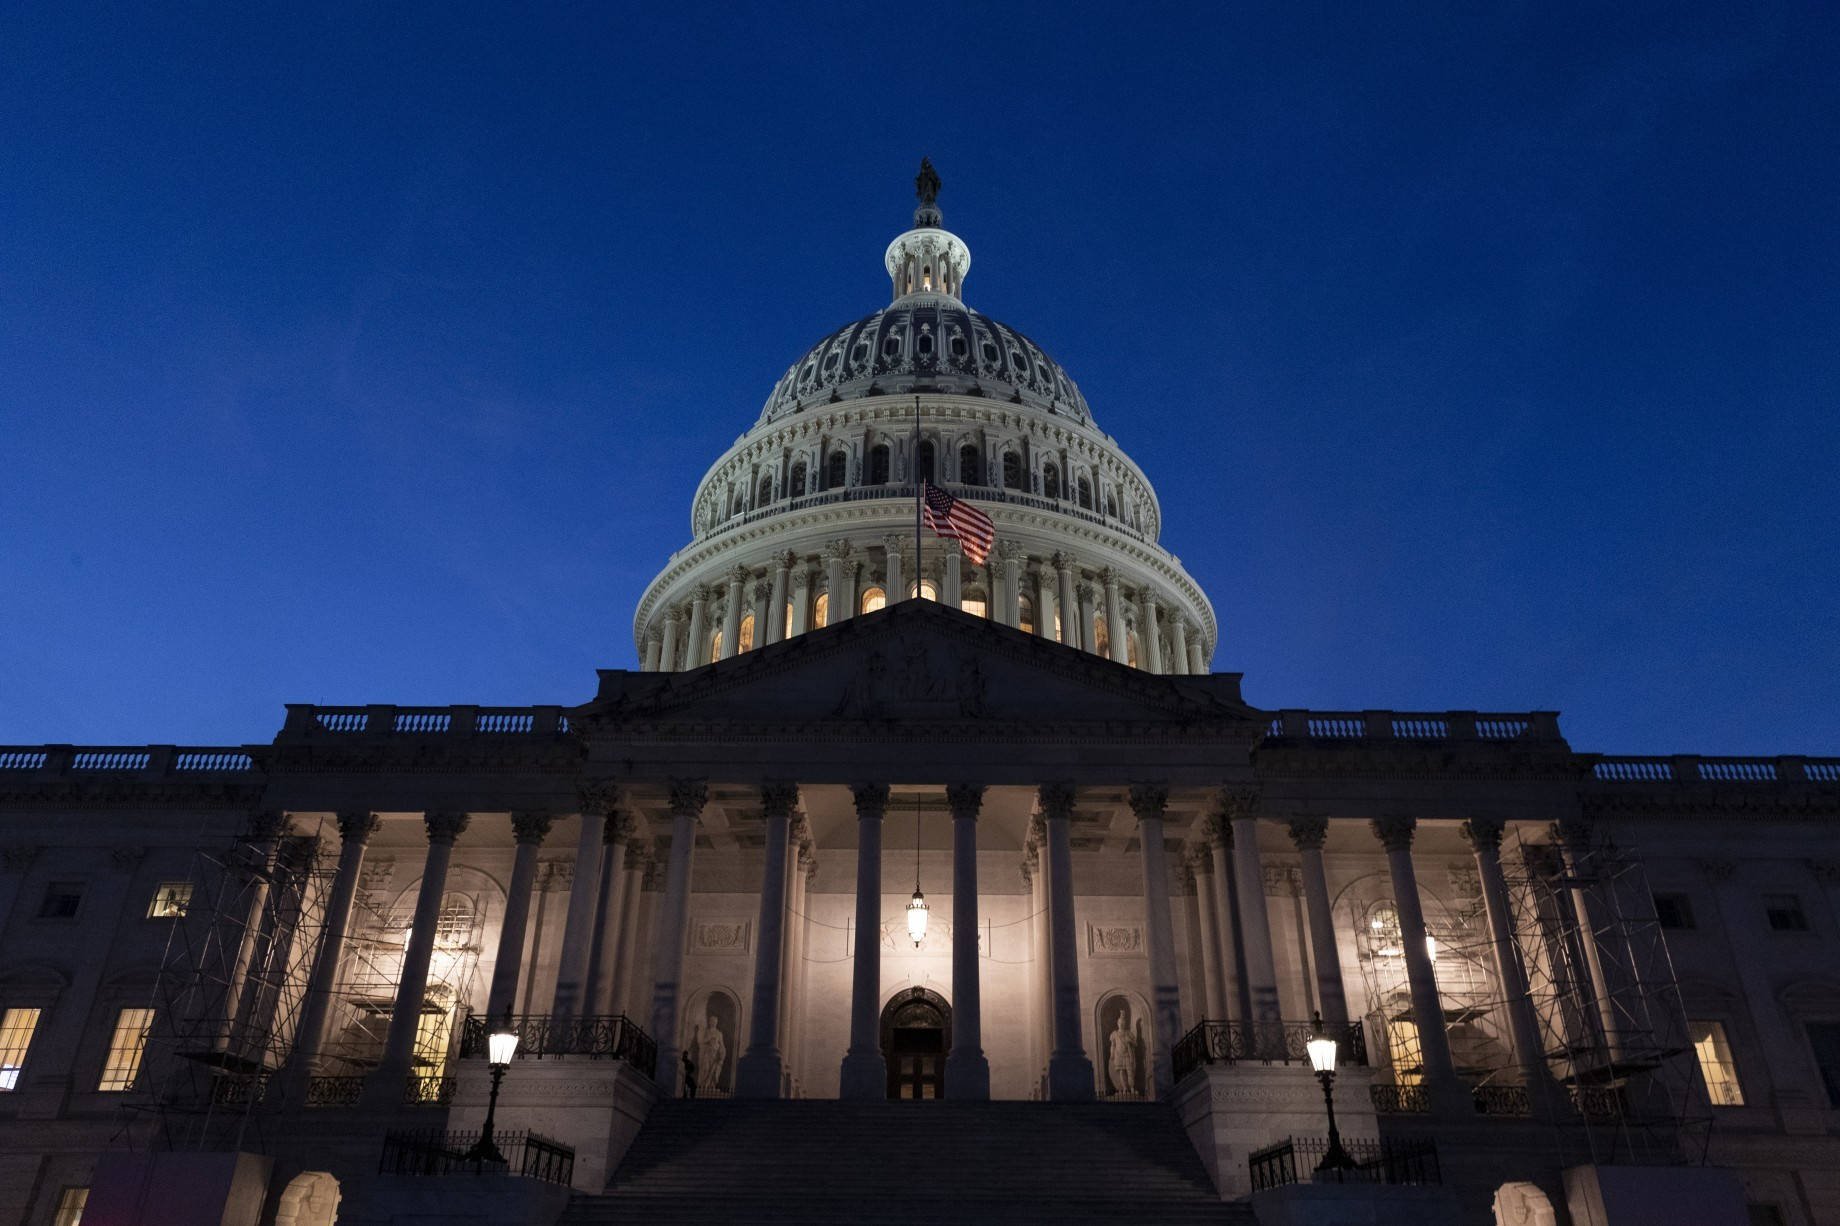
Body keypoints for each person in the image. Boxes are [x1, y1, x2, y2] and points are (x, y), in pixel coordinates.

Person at [1108, 1011, 1138, 1097]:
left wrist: (1130, 1040)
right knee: (1121, 1072)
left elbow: (1136, 1044)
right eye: (1120, 1023)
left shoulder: (1129, 1033)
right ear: (1118, 1023)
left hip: (1128, 1055)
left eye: (1123, 1023)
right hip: (1118, 1054)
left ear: (1125, 1024)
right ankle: (1125, 1088)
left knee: (1130, 1072)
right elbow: (1112, 1045)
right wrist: (1112, 1054)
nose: (1121, 1024)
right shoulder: (1114, 1034)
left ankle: (1132, 1088)